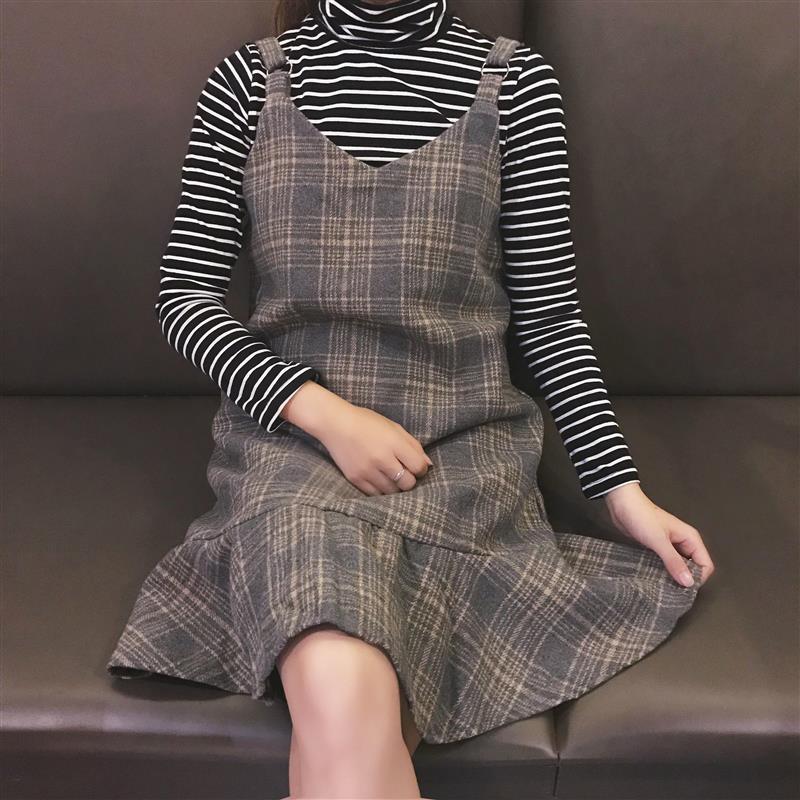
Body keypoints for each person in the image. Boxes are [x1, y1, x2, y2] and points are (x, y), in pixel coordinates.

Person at [107, 1, 715, 797]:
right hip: (296, 457)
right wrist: (323, 413)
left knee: (349, 727)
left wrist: (620, 493)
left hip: (462, 455)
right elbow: (184, 298)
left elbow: (551, 318)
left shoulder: (516, 84)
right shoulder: (249, 80)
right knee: (338, 672)